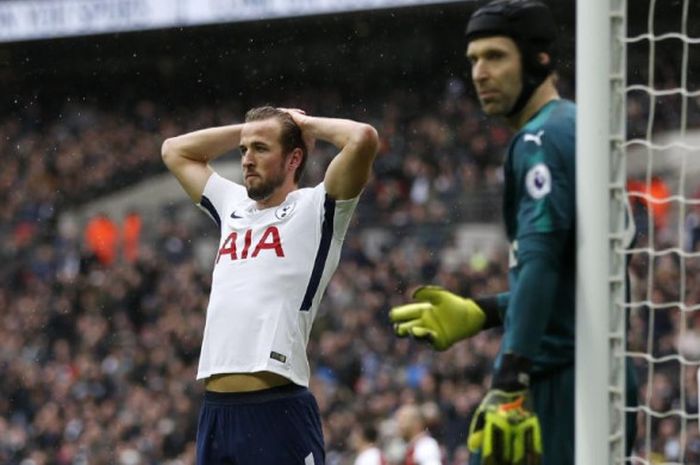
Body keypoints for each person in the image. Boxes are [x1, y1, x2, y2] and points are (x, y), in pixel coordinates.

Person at [389, 1, 636, 464]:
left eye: (496, 56)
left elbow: (542, 258)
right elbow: (573, 278)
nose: (479, 72)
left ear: (539, 59)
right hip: (594, 373)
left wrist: (510, 376)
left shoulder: (541, 139)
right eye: (474, 60)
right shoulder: (578, 129)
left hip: (560, 385)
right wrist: (484, 312)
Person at [161, 106, 378, 465]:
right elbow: (174, 150)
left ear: (294, 158)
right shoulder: (233, 205)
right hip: (216, 411)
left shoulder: (318, 208)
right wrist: (250, 131)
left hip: (277, 409)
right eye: (244, 150)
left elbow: (362, 138)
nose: (247, 159)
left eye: (261, 149)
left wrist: (303, 124)